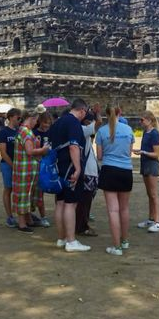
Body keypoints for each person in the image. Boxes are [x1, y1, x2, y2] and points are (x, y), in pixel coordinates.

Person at [49, 98, 91, 252]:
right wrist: (78, 168)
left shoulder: (58, 123)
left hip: (59, 166)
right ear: (82, 111)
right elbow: (74, 146)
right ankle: (71, 241)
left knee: (60, 202)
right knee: (70, 204)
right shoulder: (73, 123)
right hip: (70, 166)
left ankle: (62, 238)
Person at [96, 106, 135, 256]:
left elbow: (99, 156)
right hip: (126, 170)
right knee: (124, 208)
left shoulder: (102, 131)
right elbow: (129, 152)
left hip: (109, 170)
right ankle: (124, 241)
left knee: (113, 210)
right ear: (120, 113)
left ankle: (116, 246)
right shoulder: (129, 130)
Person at [12, 108, 50, 233]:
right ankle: (22, 224)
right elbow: (29, 151)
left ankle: (28, 220)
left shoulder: (25, 131)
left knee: (26, 194)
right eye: (36, 120)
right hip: (25, 170)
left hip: (26, 169)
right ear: (32, 118)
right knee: (24, 195)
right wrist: (43, 150)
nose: (37, 123)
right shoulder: (26, 132)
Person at [76, 104, 102, 237]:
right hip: (87, 172)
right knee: (84, 201)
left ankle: (80, 224)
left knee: (83, 201)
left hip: (87, 170)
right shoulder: (82, 129)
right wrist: (97, 113)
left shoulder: (80, 130)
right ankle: (82, 226)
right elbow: (99, 123)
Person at [135, 111, 159, 232]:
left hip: (151, 165)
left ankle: (158, 221)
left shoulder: (154, 134)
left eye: (142, 120)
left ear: (149, 120)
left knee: (154, 194)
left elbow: (156, 154)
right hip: (145, 163)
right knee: (149, 194)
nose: (141, 122)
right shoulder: (145, 132)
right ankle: (151, 218)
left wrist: (143, 152)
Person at [0, 108, 21, 228]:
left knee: (19, 189)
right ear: (11, 117)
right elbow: (3, 152)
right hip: (7, 164)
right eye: (18, 117)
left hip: (18, 164)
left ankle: (23, 214)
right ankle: (9, 216)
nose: (19, 120)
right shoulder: (3, 132)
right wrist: (13, 165)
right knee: (8, 189)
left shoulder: (19, 131)